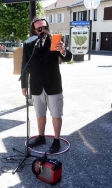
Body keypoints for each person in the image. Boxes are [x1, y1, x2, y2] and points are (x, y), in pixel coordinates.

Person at [21, 17, 72, 153]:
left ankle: (56, 140)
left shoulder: (55, 41)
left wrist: (63, 50)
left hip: (53, 84)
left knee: (56, 114)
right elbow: (24, 65)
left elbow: (67, 58)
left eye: (45, 27)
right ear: (34, 30)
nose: (43, 30)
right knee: (40, 113)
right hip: (36, 85)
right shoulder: (28, 44)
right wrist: (24, 85)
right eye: (39, 29)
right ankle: (41, 137)